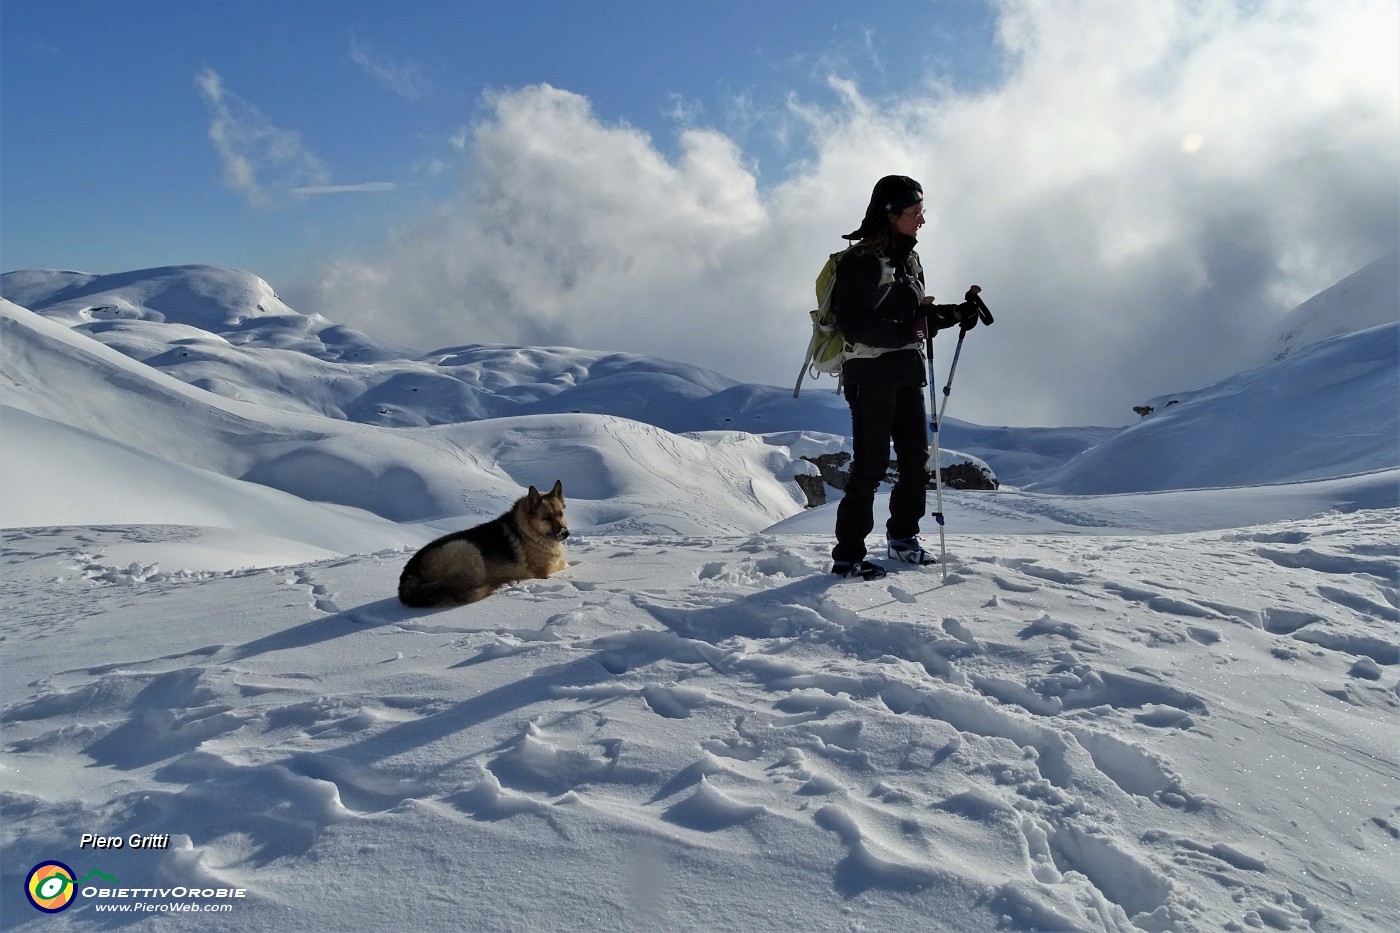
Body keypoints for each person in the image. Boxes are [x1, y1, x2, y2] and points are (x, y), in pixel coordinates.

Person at [829, 174, 980, 580]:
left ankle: (902, 539)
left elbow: (914, 318)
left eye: (921, 212)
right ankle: (848, 555)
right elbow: (854, 324)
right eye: (915, 213)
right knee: (872, 463)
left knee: (916, 459)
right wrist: (911, 331)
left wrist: (951, 314)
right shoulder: (860, 263)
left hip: (906, 370)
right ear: (890, 214)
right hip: (871, 370)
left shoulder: (909, 260)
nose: (921, 221)